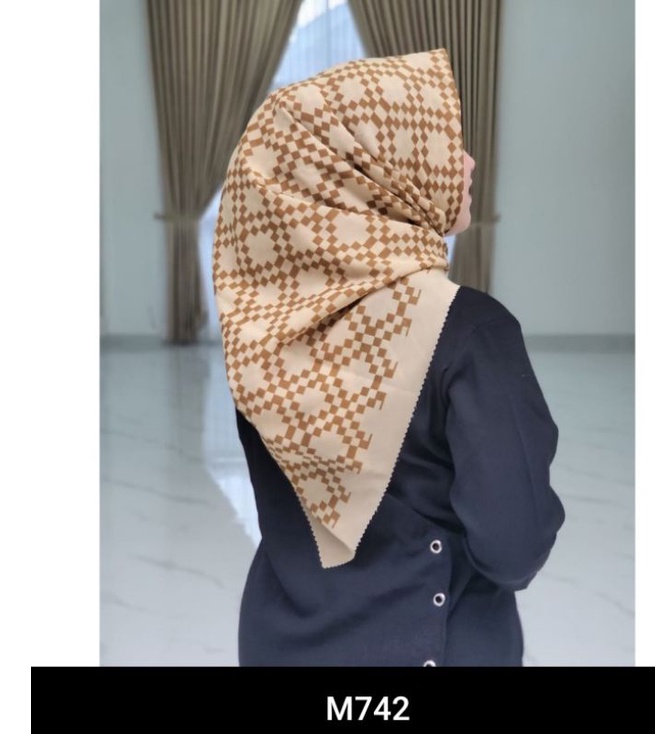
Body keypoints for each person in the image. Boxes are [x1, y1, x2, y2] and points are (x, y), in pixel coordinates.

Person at [212, 47, 565, 666]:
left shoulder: (263, 327)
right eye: (444, 143)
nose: (468, 162)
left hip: (278, 642)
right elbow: (513, 546)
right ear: (376, 170)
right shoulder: (471, 330)